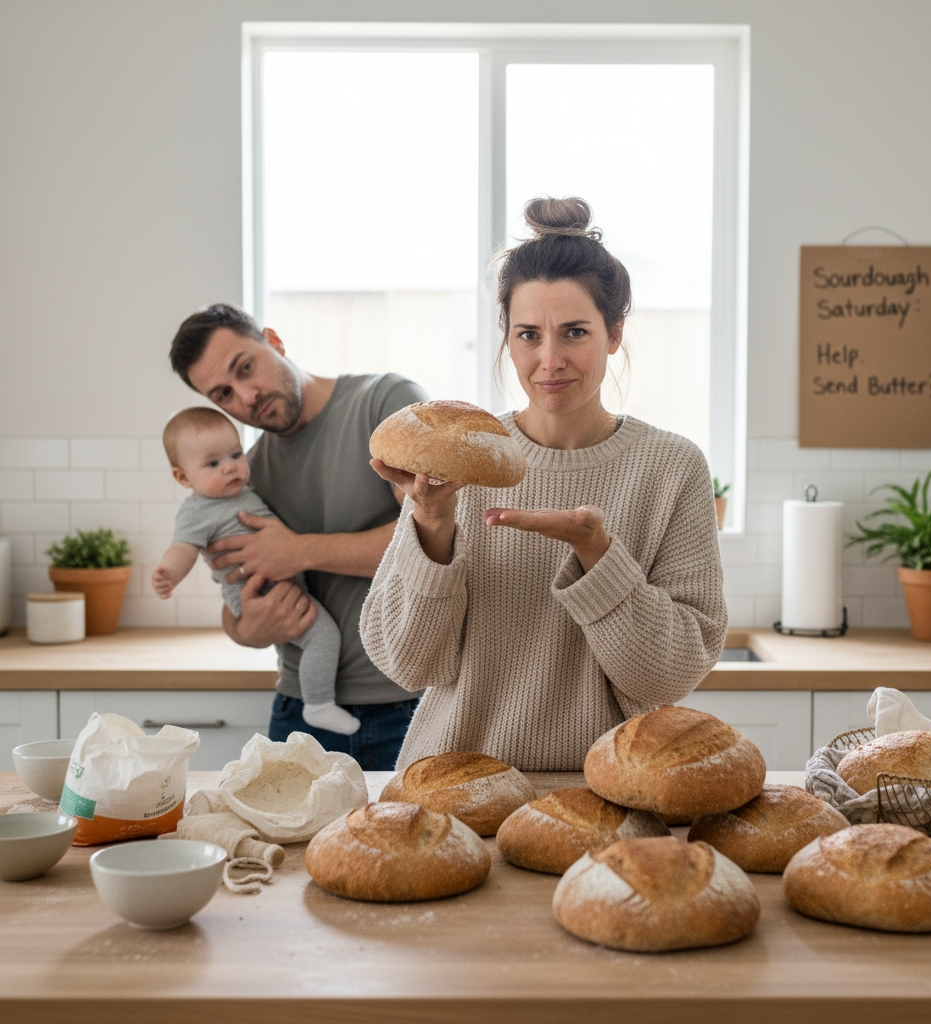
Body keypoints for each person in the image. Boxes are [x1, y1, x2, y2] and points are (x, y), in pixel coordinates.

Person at [360, 196, 728, 773]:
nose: (549, 359)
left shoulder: (672, 469)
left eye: (574, 332)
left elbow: (670, 677)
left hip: (604, 792)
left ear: (614, 333)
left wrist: (596, 554)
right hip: (452, 784)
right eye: (528, 334)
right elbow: (407, 663)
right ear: (507, 336)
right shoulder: (464, 462)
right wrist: (430, 524)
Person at [168, 303, 426, 769]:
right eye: (223, 393)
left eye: (246, 368)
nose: (246, 396)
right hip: (298, 713)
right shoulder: (243, 477)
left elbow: (436, 540)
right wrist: (248, 629)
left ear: (275, 341)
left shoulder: (384, 402)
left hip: (408, 708)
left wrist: (298, 551)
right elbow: (233, 591)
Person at [152, 406, 359, 736]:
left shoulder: (246, 491)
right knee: (324, 636)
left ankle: (319, 703)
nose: (231, 467)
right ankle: (319, 704)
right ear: (182, 477)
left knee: (319, 638)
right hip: (258, 594)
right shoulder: (195, 512)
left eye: (235, 454)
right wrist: (169, 573)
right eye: (213, 463)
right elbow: (183, 549)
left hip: (282, 586)